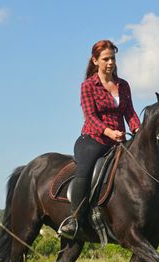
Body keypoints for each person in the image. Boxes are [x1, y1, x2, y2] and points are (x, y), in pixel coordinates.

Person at [59, 40, 141, 236]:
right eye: (106, 59)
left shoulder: (123, 85)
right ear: (95, 61)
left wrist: (138, 130)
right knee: (85, 169)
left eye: (112, 58)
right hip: (93, 139)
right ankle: (75, 219)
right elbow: (90, 117)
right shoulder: (88, 86)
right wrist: (109, 132)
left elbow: (129, 112)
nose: (110, 63)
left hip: (119, 141)